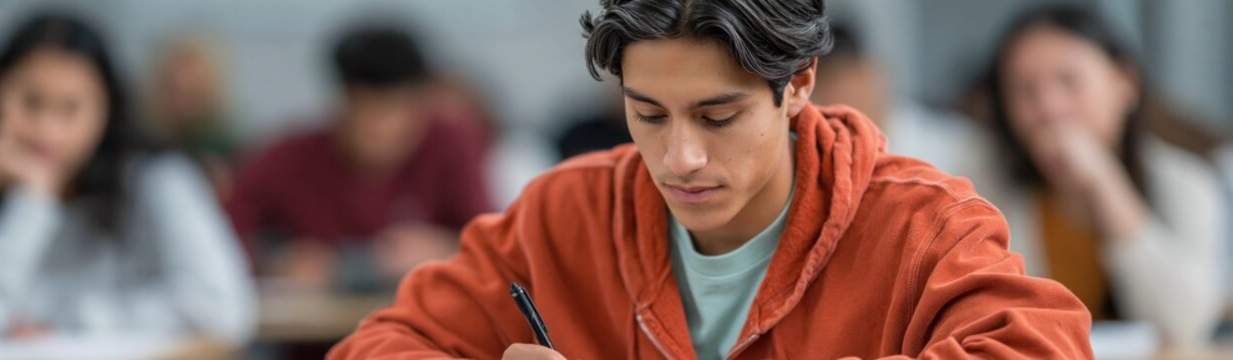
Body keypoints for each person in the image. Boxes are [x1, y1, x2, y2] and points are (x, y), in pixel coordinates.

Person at [331, 1, 1092, 359]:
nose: (679, 158)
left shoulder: (919, 222)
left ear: (798, 84)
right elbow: (381, 345)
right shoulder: (567, 210)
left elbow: (1045, 352)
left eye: (717, 116)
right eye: (648, 115)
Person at [961, 5, 1227, 349]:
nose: (1048, 107)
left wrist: (1104, 182)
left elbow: (1185, 323)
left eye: (1069, 82)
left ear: (1125, 83)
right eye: (1025, 90)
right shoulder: (981, 182)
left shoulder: (1186, 182)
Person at [0, 11, 255, 345]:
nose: (47, 131)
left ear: (107, 109)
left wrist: (67, 322)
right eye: (31, 103)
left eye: (70, 108)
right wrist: (31, 202)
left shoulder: (158, 178)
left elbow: (222, 307)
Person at [227, 20, 492, 291]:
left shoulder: (451, 144)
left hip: (426, 320)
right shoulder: (287, 158)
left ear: (421, 105)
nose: (380, 127)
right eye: (366, 109)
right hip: (318, 328)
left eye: (393, 109)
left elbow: (494, 248)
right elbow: (223, 239)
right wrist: (275, 261)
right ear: (341, 102)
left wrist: (447, 247)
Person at [809, 23, 974, 173]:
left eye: (847, 78)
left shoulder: (952, 143)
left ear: (873, 71)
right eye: (830, 84)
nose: (843, 93)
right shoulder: (826, 155)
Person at [145, 32, 240, 201]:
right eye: (173, 90)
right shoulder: (143, 139)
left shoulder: (230, 144)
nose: (181, 101)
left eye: (190, 93)